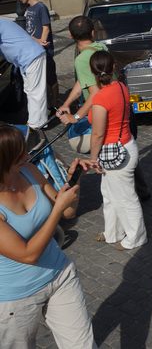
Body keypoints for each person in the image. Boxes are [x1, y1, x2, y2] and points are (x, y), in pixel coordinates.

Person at [0, 125, 97, 348]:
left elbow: (68, 212)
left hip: (60, 276)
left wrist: (73, 181)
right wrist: (57, 209)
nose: (27, 155)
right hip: (15, 299)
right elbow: (28, 254)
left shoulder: (29, 171)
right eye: (19, 153)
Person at [56, 17, 151, 202]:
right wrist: (67, 103)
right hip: (120, 107)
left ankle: (124, 196)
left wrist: (75, 117)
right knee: (125, 145)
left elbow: (94, 93)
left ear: (70, 36)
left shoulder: (81, 59)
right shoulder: (100, 48)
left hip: (105, 112)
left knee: (110, 153)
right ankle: (141, 190)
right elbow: (84, 81)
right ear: (93, 32)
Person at [87, 51, 147, 250]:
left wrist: (93, 159)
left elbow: (97, 134)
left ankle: (136, 238)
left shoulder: (100, 99)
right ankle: (113, 232)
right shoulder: (121, 87)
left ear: (93, 72)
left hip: (114, 153)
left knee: (125, 198)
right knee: (109, 195)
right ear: (113, 67)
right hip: (126, 145)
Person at [0, 19, 47, 149]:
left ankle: (35, 128)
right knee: (30, 91)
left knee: (35, 93)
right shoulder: (3, 22)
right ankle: (35, 123)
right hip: (25, 58)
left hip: (30, 56)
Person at [15, 0, 58, 107]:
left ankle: (55, 104)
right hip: (34, 49)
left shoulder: (40, 7)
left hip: (43, 51)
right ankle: (47, 103)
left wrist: (41, 44)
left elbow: (46, 28)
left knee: (50, 78)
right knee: (41, 79)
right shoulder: (28, 8)